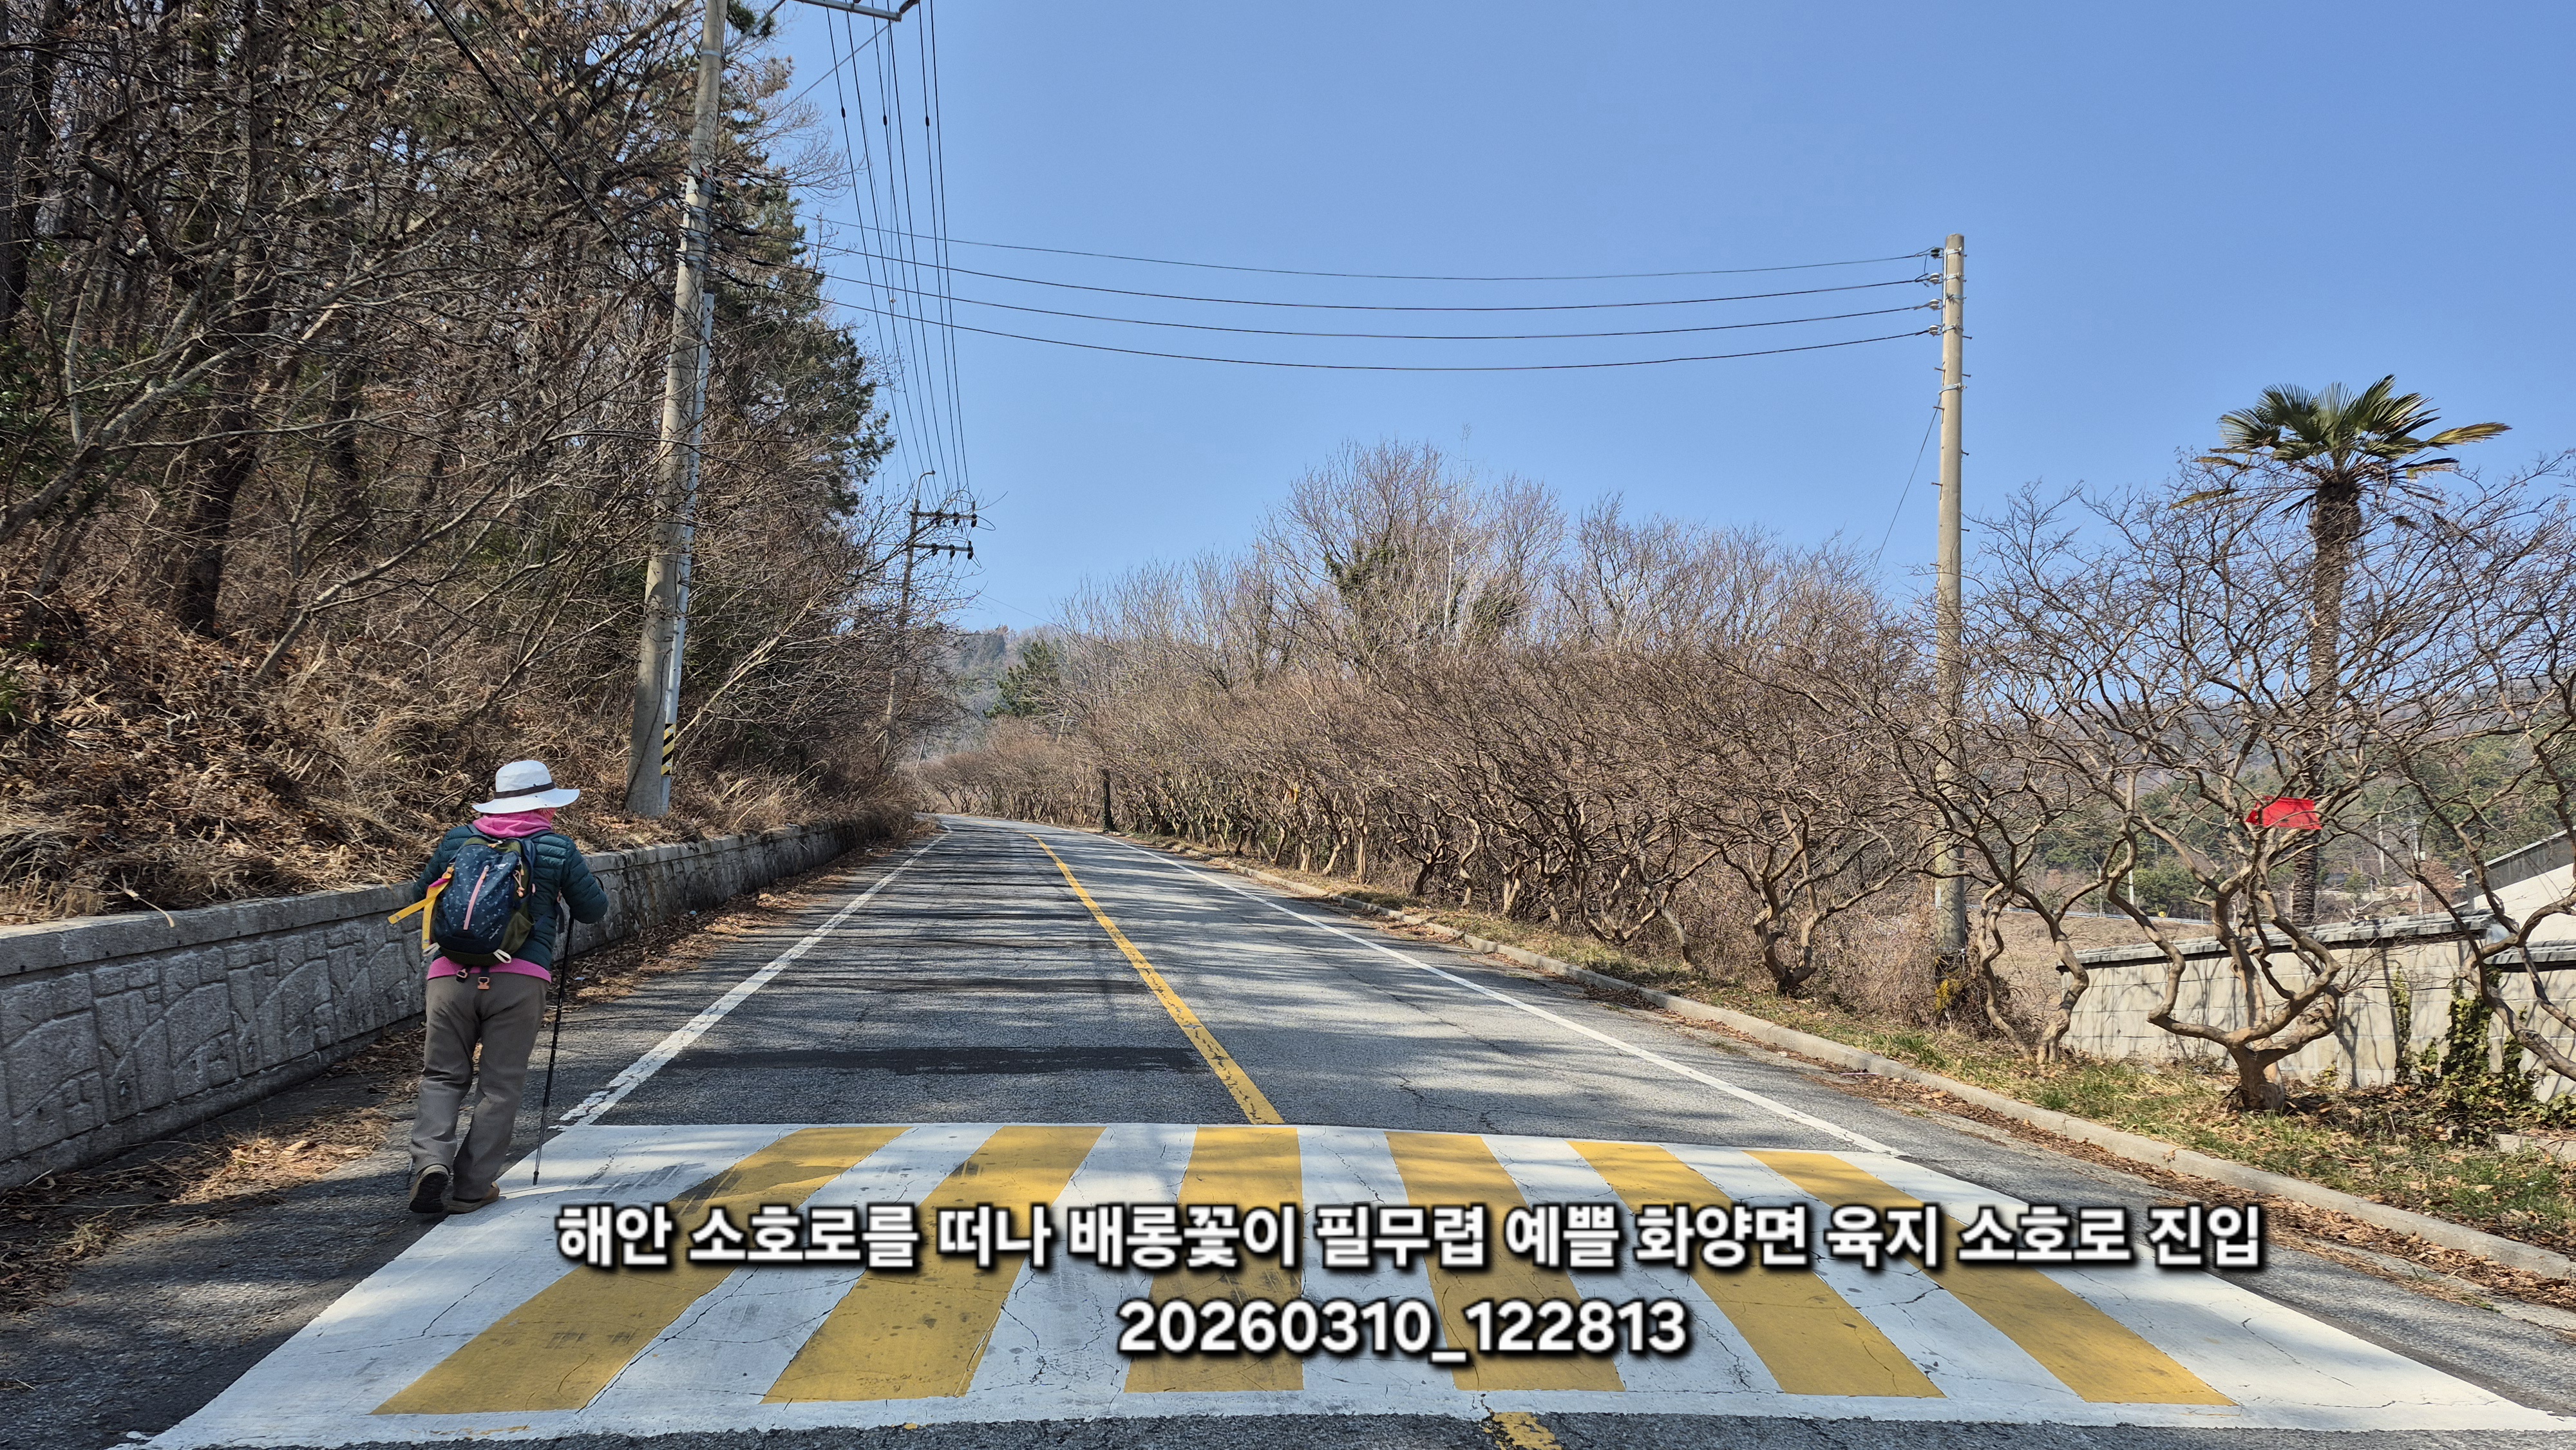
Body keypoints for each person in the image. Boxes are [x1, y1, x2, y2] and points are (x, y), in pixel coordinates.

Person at [401, 758, 608, 1216]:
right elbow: (593, 910)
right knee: (499, 1084)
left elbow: (419, 896)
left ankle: (431, 1163)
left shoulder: (457, 840)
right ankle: (472, 1187)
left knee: (441, 1075)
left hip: (449, 977)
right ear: (545, 805)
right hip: (519, 979)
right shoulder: (556, 847)